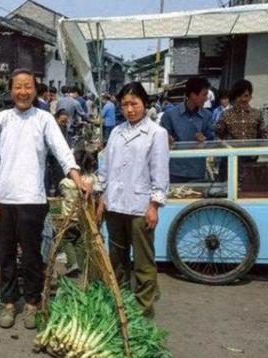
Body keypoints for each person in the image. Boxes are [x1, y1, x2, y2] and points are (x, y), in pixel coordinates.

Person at [0, 68, 89, 330]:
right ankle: (8, 302)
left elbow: (61, 150)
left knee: (32, 256)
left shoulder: (44, 119)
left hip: (32, 199)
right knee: (5, 255)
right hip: (5, 200)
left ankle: (31, 303)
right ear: (11, 90)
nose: (23, 91)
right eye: (18, 86)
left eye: (27, 86)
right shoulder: (2, 119)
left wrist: (77, 177)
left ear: (35, 89)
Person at [97, 82, 169, 318]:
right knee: (117, 258)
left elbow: (160, 172)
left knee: (143, 260)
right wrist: (101, 198)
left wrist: (154, 205)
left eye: (134, 103)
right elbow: (105, 169)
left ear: (144, 103)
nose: (129, 109)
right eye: (125, 104)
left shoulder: (156, 133)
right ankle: (121, 301)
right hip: (115, 205)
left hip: (140, 207)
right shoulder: (117, 132)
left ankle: (143, 308)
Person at [161, 77, 215, 183]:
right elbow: (160, 139)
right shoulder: (170, 115)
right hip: (174, 171)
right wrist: (167, 139)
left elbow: (212, 140)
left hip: (197, 171)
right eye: (204, 95)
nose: (206, 99)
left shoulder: (207, 116)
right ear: (192, 95)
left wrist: (204, 140)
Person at [59, 149, 100, 275]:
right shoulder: (91, 180)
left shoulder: (65, 183)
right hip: (84, 218)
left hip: (69, 218)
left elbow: (61, 192)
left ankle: (73, 263)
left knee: (66, 240)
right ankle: (80, 266)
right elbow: (97, 190)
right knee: (81, 242)